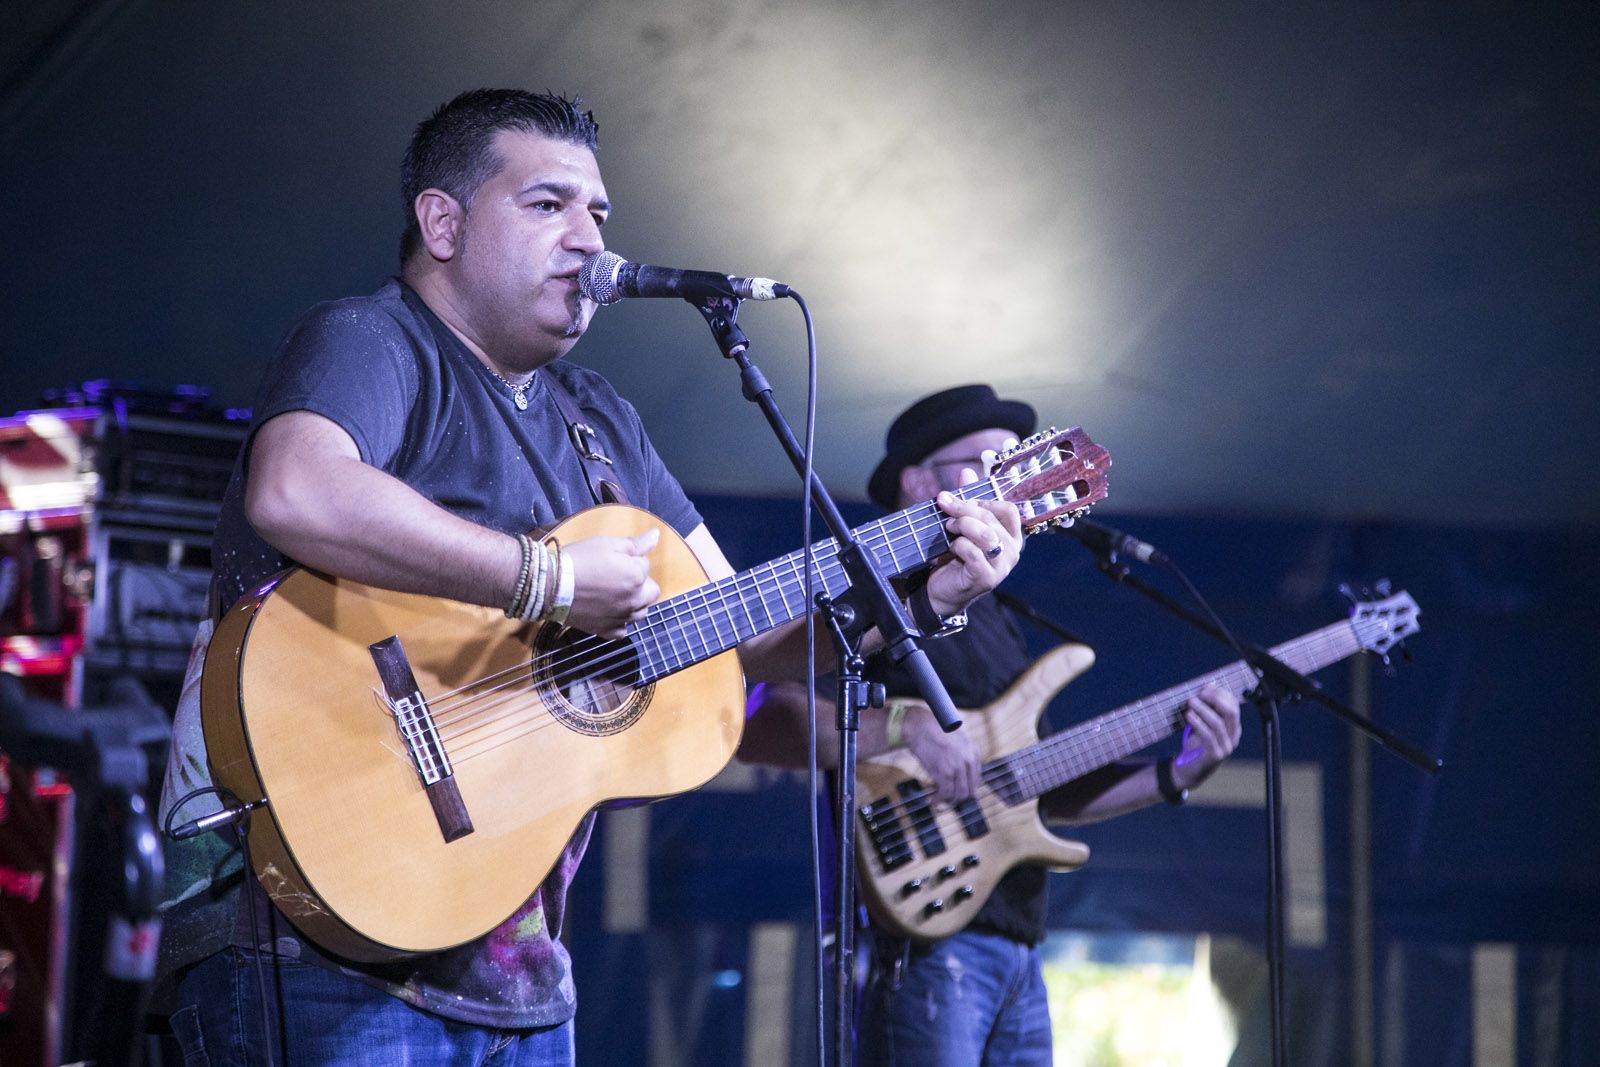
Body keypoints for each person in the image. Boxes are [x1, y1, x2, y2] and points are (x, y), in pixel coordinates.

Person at [156, 91, 1024, 1065]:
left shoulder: (600, 422)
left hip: (515, 967)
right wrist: (545, 578)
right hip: (299, 933)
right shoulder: (373, 340)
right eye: (546, 205)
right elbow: (296, 489)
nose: (587, 239)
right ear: (443, 223)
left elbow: (750, 634)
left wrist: (926, 597)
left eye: (598, 213)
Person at [739, 384, 1244, 1067]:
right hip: (921, 939)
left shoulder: (999, 618)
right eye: (980, 465)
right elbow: (766, 717)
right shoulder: (872, 596)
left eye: (1010, 462)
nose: (1004, 482)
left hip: (1018, 944)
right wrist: (903, 725)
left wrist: (1178, 772)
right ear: (919, 482)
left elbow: (1038, 788)